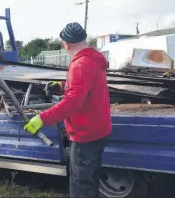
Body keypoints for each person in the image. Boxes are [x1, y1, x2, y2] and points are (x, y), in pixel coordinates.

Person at [24, 22, 111, 198]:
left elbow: (73, 102)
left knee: (81, 187)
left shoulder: (80, 64)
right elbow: (86, 88)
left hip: (86, 134)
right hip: (98, 130)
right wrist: (61, 85)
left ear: (66, 44)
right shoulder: (93, 59)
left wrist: (42, 118)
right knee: (90, 180)